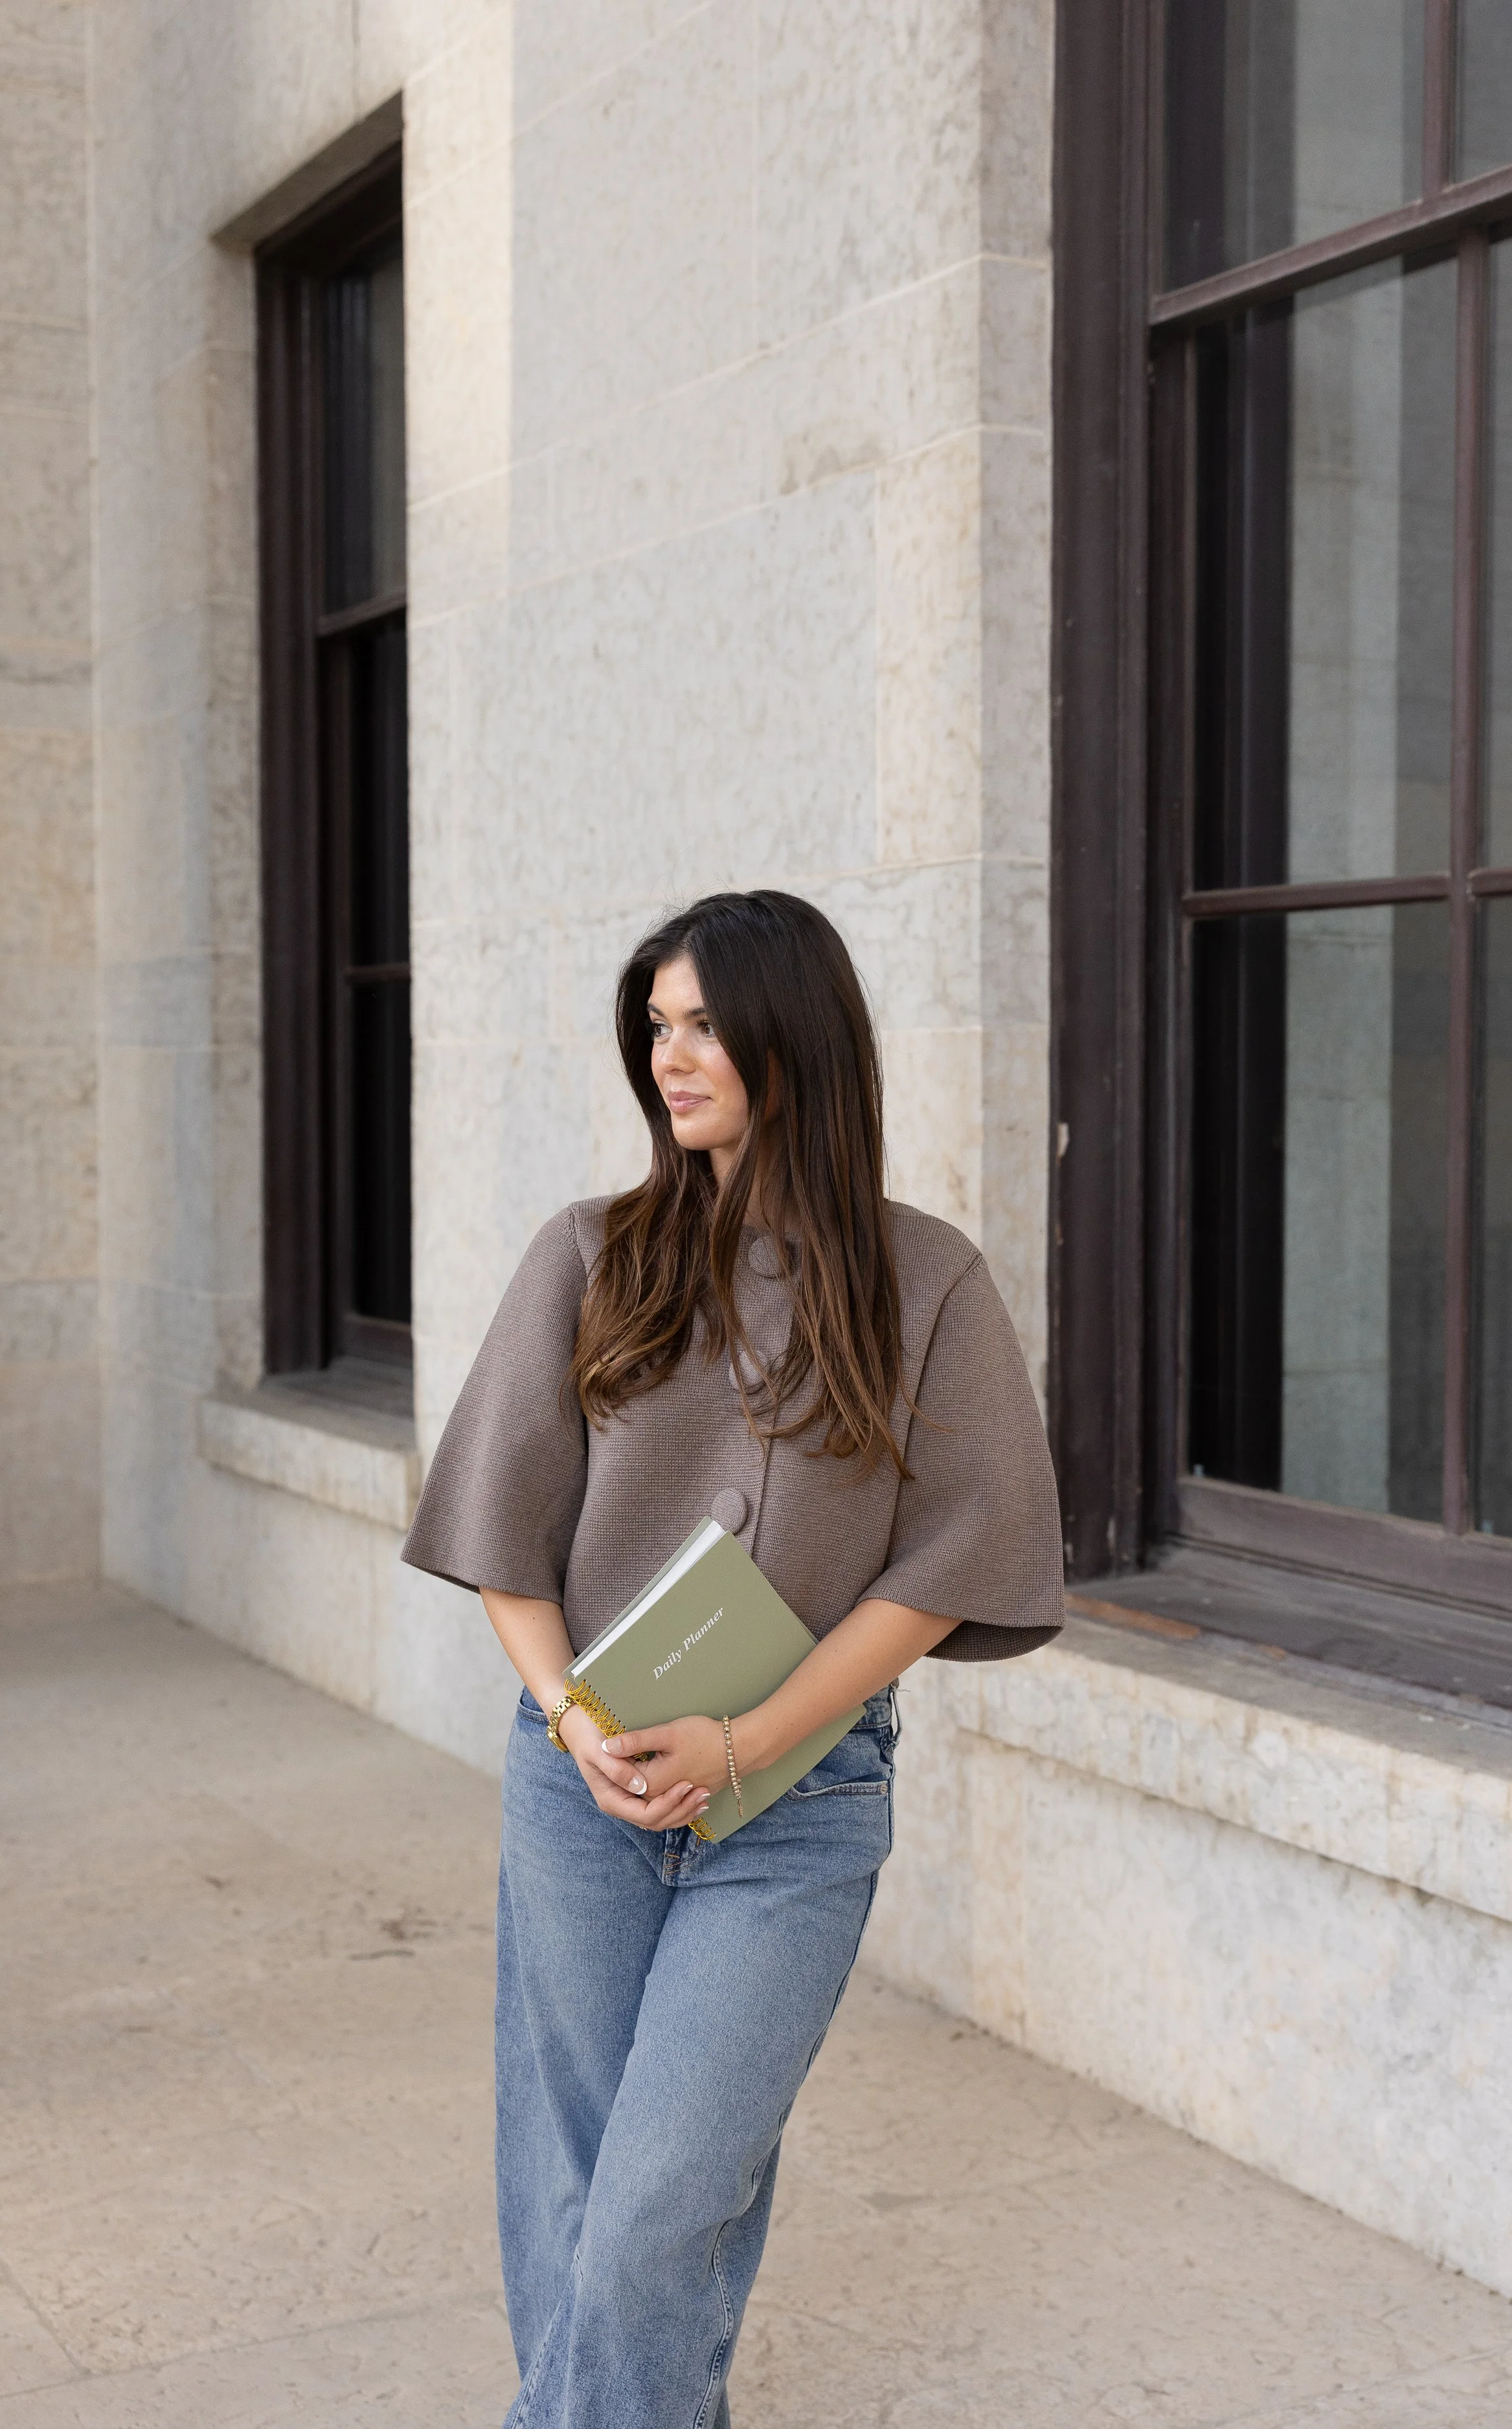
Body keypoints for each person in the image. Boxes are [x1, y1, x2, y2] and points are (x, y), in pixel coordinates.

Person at [401, 889, 1064, 2429]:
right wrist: (577, 1724)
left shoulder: (927, 1282)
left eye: (701, 1023)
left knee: (654, 2209)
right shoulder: (590, 1253)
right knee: (567, 2192)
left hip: (801, 1803)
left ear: (792, 1037)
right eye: (656, 1025)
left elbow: (954, 1558)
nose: (668, 1056)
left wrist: (750, 1739)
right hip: (580, 1786)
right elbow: (500, 1527)